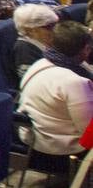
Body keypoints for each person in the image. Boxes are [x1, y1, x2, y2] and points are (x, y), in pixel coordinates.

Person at [18, 21, 93, 156]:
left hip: (37, 141)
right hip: (64, 150)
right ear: (86, 49)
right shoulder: (75, 83)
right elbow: (89, 133)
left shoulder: (39, 63)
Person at [12, 4, 60, 83]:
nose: (55, 30)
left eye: (56, 25)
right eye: (49, 27)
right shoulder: (24, 50)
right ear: (29, 30)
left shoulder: (48, 42)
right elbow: (35, 82)